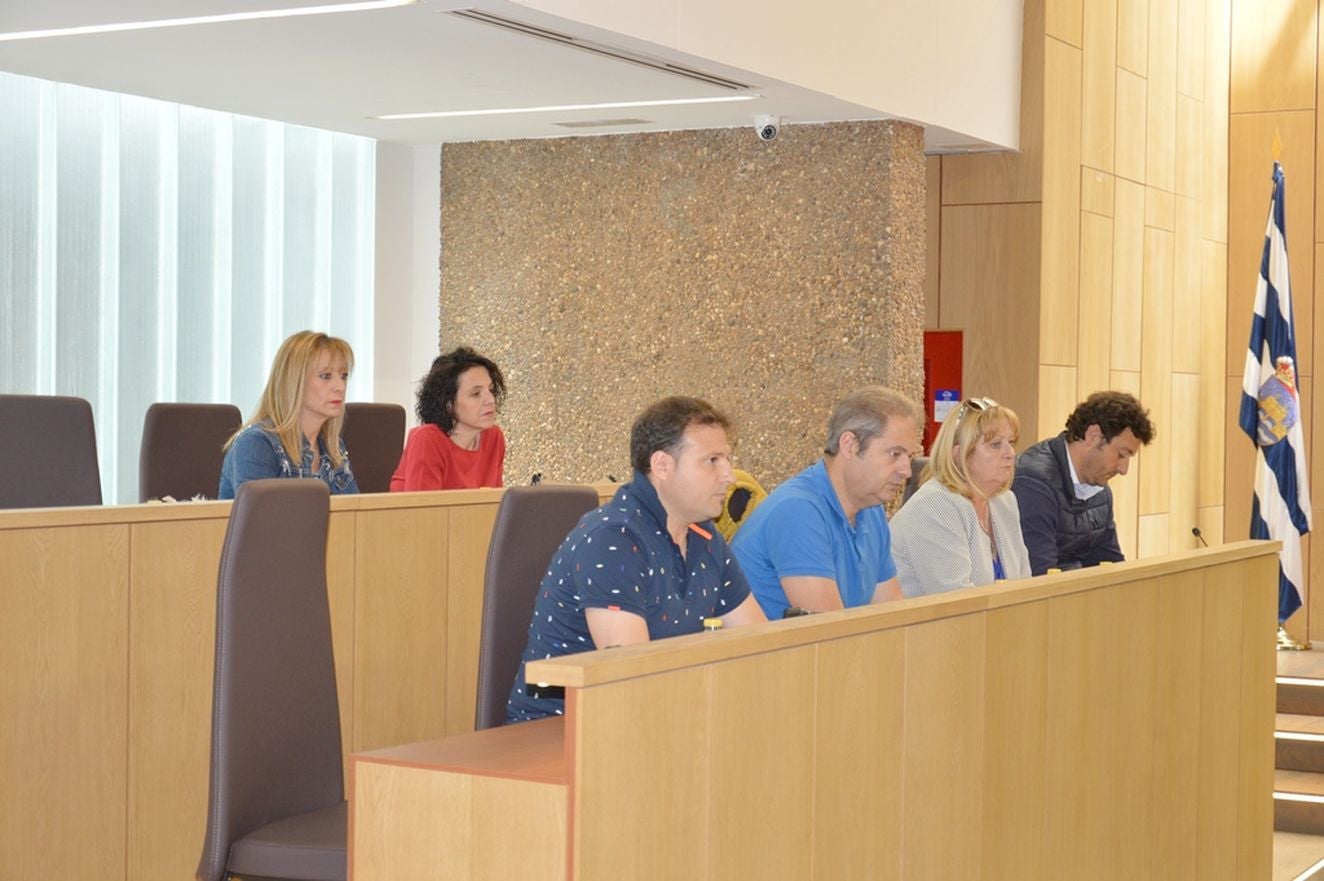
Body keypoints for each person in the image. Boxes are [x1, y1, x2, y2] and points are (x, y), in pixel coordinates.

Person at [506, 396, 766, 723]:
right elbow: (632, 680)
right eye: (712, 460)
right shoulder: (613, 539)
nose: (729, 474)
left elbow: (759, 648)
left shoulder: (704, 536)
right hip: (562, 732)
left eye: (727, 458)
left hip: (651, 722)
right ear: (661, 466)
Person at [731, 386, 921, 619]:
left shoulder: (871, 509)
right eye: (894, 454)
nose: (906, 471)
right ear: (849, 445)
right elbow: (830, 634)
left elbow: (891, 615)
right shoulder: (798, 511)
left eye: (909, 457)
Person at [890, 396, 1031, 596]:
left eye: (1011, 442)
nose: (1010, 453)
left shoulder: (1004, 501)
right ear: (959, 453)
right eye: (995, 445)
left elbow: (1024, 586)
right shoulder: (935, 505)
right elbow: (956, 603)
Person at [1012, 391, 1155, 575]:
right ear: (1093, 436)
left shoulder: (1099, 489)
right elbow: (1042, 580)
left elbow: (1110, 567)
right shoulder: (1033, 484)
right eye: (1121, 455)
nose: (1123, 469)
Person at [218, 330, 359, 499]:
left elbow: (353, 517)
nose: (340, 387)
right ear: (293, 382)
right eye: (325, 376)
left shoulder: (334, 448)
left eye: (343, 376)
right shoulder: (256, 444)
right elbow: (261, 522)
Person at [390, 347, 506, 491]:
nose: (490, 400)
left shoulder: (494, 438)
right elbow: (423, 511)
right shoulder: (427, 439)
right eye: (476, 394)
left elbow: (494, 505)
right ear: (449, 404)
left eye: (491, 390)